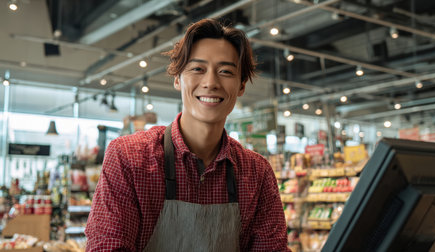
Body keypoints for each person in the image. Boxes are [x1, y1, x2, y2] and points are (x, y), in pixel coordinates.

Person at [85, 18, 289, 252]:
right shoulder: (129, 158)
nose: (210, 82)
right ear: (177, 78)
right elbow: (107, 247)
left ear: (241, 85)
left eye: (225, 71)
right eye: (197, 69)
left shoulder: (256, 173)